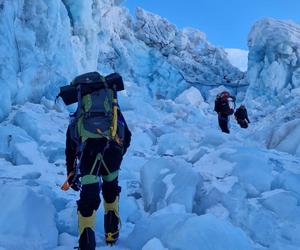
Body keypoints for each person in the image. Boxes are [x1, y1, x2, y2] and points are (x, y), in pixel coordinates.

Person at [63, 72, 131, 249]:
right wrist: (118, 153)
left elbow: (71, 142)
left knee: (89, 195)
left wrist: (71, 171)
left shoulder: (81, 112)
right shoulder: (113, 111)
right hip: (112, 153)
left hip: (89, 154)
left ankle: (86, 243)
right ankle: (112, 234)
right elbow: (127, 135)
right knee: (111, 190)